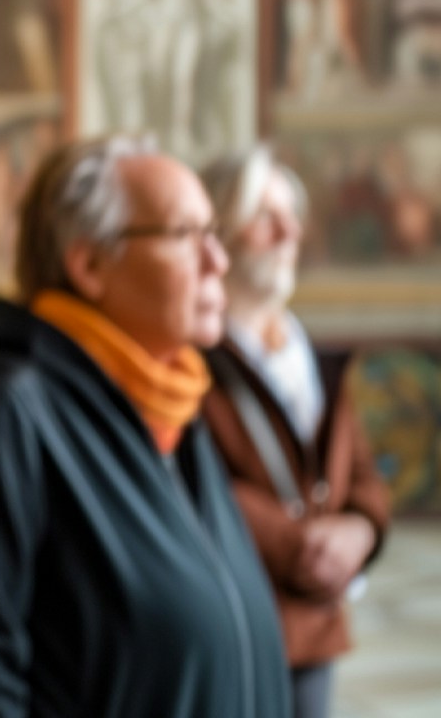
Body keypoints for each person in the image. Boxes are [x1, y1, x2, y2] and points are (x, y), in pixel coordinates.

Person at [0, 134, 291, 718]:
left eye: (216, 234)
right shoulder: (0, 411)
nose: (218, 262)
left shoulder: (171, 402)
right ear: (90, 264)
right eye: (187, 235)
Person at [200, 145, 390, 718]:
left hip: (314, 628)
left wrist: (360, 529)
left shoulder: (306, 352)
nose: (290, 233)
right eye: (266, 217)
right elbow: (195, 481)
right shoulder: (191, 355)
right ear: (218, 232)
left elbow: (359, 467)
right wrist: (302, 549)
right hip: (236, 620)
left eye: (292, 216)